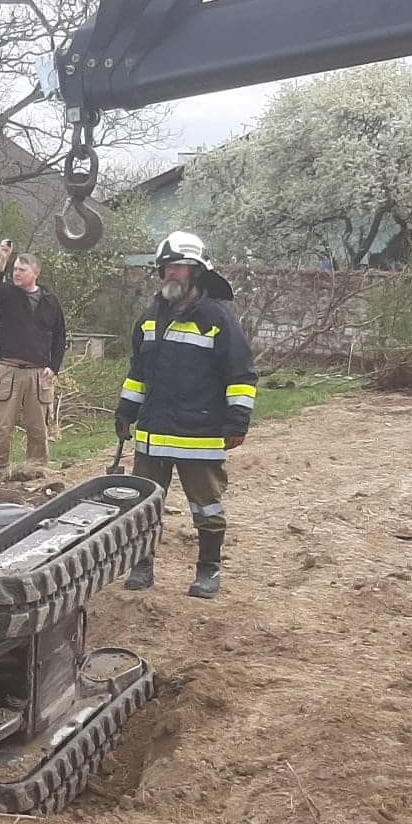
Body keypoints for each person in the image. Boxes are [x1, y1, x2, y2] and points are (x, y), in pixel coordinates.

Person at [115, 231, 257, 600]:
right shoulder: (149, 319)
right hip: (152, 435)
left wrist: (237, 422)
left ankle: (209, 569)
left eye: (179, 267)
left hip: (200, 435)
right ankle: (142, 565)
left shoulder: (217, 319)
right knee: (143, 506)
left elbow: (241, 376)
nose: (171, 273)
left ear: (196, 271)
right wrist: (126, 410)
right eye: (167, 267)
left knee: (207, 507)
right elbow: (137, 374)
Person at [0, 240, 68, 483]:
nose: (16, 273)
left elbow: (60, 336)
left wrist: (54, 367)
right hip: (9, 371)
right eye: (15, 270)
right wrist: (3, 258)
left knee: (38, 428)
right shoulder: (9, 295)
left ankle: (36, 472)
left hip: (38, 374)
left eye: (22, 269)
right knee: (2, 426)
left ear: (35, 272)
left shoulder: (50, 301)